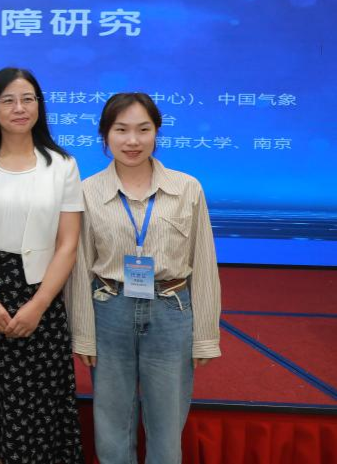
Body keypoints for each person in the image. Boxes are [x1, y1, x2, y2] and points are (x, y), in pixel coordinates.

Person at [66, 92, 221, 464]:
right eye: (121, 130)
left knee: (167, 425)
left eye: (143, 129)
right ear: (105, 135)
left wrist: (205, 337)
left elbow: (204, 264)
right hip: (109, 310)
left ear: (157, 132)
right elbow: (80, 267)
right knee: (111, 422)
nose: (132, 141)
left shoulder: (187, 188)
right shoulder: (87, 192)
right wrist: (83, 333)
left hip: (171, 310)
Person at [0, 67, 84, 464]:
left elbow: (68, 243)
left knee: (34, 409)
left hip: (40, 296)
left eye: (28, 99)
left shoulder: (62, 165)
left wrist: (39, 304)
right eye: (8, 100)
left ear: (39, 106)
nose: (19, 108)